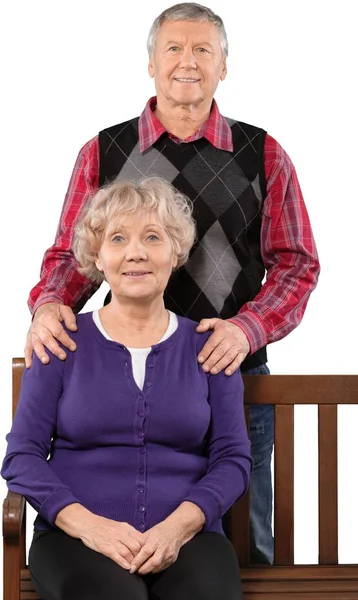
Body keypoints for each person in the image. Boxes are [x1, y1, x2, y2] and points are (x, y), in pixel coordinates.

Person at [25, 2, 320, 564]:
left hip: (229, 368)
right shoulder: (105, 151)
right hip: (128, 366)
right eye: (174, 49)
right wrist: (47, 307)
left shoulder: (264, 154)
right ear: (152, 63)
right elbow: (73, 254)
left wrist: (247, 329)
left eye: (203, 50)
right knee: (127, 542)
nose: (188, 62)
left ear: (224, 66)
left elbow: (297, 262)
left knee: (245, 545)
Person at [2, 177, 251, 600]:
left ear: (175, 252)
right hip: (75, 539)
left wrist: (177, 528)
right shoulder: (59, 341)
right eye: (118, 238)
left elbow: (232, 459)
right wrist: (90, 527)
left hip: (189, 537)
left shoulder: (212, 347)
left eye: (152, 237)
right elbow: (22, 457)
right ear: (97, 256)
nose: (136, 251)